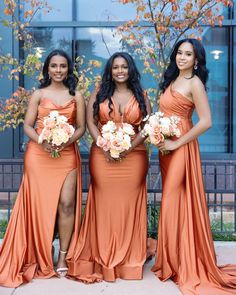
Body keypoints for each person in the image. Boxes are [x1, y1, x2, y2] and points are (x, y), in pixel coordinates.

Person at [151, 38, 236, 294]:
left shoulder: (195, 83)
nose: (182, 57)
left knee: (170, 200)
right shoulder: (171, 80)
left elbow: (206, 121)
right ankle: (172, 258)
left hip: (181, 148)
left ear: (196, 60)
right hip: (166, 148)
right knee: (174, 203)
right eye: (179, 53)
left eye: (188, 54)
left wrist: (177, 145)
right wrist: (158, 134)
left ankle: (177, 262)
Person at [0, 49, 85, 287]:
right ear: (47, 68)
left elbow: (80, 128)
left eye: (63, 66)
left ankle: (63, 254)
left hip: (66, 152)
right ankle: (41, 251)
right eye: (54, 66)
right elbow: (27, 126)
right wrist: (42, 140)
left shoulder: (76, 95)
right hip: (39, 154)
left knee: (67, 203)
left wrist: (66, 140)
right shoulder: (38, 94)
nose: (58, 70)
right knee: (40, 206)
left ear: (69, 69)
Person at [66, 52, 151, 282]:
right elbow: (92, 123)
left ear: (130, 69)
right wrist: (102, 144)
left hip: (133, 158)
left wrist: (129, 147)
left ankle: (128, 257)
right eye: (116, 67)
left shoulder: (141, 95)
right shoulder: (100, 92)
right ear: (110, 70)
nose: (120, 71)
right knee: (104, 203)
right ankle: (102, 250)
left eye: (124, 66)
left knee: (128, 203)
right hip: (102, 156)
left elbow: (147, 127)